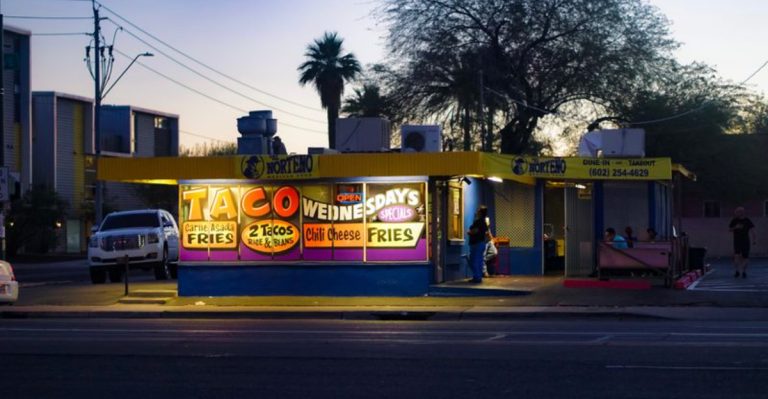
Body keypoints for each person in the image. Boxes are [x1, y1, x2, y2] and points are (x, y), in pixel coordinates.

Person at [729, 207, 756, 278]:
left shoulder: (747, 220)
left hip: (745, 241)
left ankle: (744, 271)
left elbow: (753, 230)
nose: (736, 213)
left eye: (737, 212)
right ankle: (737, 271)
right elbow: (730, 229)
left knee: (745, 257)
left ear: (741, 212)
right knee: (736, 256)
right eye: (736, 212)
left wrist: (754, 240)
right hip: (737, 241)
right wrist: (735, 227)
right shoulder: (734, 220)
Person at [467, 206, 489, 283]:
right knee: (479, 260)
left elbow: (475, 231)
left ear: (480, 212)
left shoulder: (478, 221)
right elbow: (486, 233)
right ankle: (479, 276)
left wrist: (469, 232)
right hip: (482, 243)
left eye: (478, 210)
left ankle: (476, 277)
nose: (477, 211)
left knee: (474, 260)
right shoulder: (484, 222)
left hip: (476, 243)